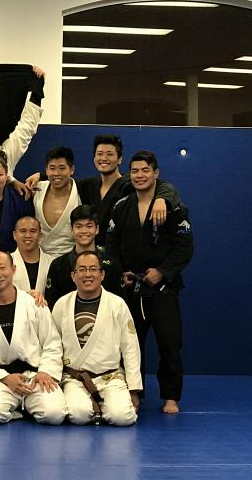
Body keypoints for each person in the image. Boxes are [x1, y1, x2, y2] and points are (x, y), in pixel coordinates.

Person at [105, 151, 193, 414]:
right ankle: (135, 394)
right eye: (134, 171)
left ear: (156, 173)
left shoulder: (173, 208)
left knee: (169, 343)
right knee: (130, 345)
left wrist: (163, 272)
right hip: (131, 287)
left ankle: (170, 396)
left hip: (163, 289)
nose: (139, 175)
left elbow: (184, 248)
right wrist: (120, 272)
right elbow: (111, 245)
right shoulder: (121, 206)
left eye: (145, 170)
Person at [0, 251, 66, 424]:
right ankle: (20, 410)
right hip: (1, 378)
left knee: (54, 414)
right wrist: (5, 378)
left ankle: (25, 405)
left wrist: (45, 371)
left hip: (35, 375)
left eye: (2, 268)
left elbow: (52, 343)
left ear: (13, 269)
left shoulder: (35, 304)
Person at [26, 134, 181, 246]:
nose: (104, 158)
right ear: (94, 158)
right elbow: (64, 179)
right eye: (99, 154)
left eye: (109, 154)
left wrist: (162, 199)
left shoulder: (130, 183)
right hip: (91, 254)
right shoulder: (88, 185)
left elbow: (163, 185)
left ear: (119, 159)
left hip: (120, 254)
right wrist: (41, 175)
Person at [51, 250, 141, 426]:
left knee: (122, 418)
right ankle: (95, 407)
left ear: (102, 274)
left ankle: (103, 407)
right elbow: (53, 346)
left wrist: (134, 389)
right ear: (73, 276)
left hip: (111, 378)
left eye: (93, 269)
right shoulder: (62, 304)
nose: (88, 274)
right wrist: (54, 379)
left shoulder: (117, 304)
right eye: (82, 270)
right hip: (75, 379)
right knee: (78, 415)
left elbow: (130, 348)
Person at [45, 205, 123, 309]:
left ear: (97, 229)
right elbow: (51, 306)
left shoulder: (112, 265)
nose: (84, 231)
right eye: (79, 226)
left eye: (89, 226)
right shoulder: (58, 266)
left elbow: (121, 305)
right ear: (71, 230)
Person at [32, 146, 81, 257]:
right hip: (39, 258)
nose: (56, 173)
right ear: (46, 170)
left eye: (62, 168)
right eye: (52, 168)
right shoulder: (36, 189)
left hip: (72, 259)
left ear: (72, 169)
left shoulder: (82, 192)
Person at [11, 216, 54, 296]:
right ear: (14, 235)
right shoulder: (6, 263)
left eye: (33, 231)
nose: (28, 235)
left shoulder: (53, 263)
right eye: (23, 231)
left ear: (40, 235)